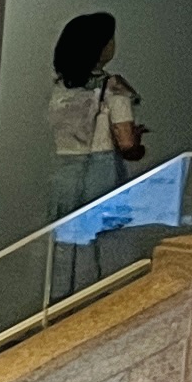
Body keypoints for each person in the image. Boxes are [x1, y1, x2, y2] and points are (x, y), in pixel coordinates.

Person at [44, 11, 146, 226]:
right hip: (102, 174)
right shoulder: (114, 87)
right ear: (102, 46)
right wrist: (138, 144)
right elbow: (127, 144)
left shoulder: (61, 88)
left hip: (64, 173)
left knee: (66, 233)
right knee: (103, 235)